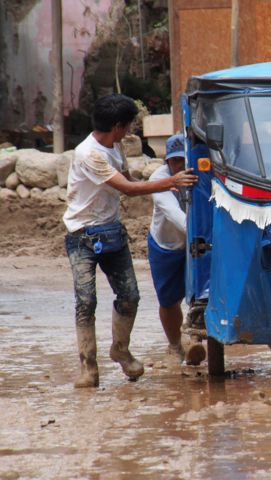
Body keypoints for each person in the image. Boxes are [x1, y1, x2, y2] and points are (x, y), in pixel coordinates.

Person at [63, 94, 198, 388]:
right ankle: (88, 367)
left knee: (130, 296)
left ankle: (120, 350)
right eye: (128, 126)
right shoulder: (88, 154)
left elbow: (128, 177)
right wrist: (170, 182)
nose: (129, 132)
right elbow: (128, 188)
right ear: (117, 126)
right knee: (86, 302)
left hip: (111, 231)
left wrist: (156, 179)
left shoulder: (115, 145)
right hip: (82, 235)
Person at [147, 133, 205, 366]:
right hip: (167, 246)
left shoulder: (202, 175)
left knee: (202, 294)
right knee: (169, 301)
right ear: (167, 162)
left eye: (184, 160)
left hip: (196, 244)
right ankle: (174, 346)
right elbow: (176, 217)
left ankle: (195, 340)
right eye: (175, 161)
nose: (180, 166)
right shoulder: (158, 182)